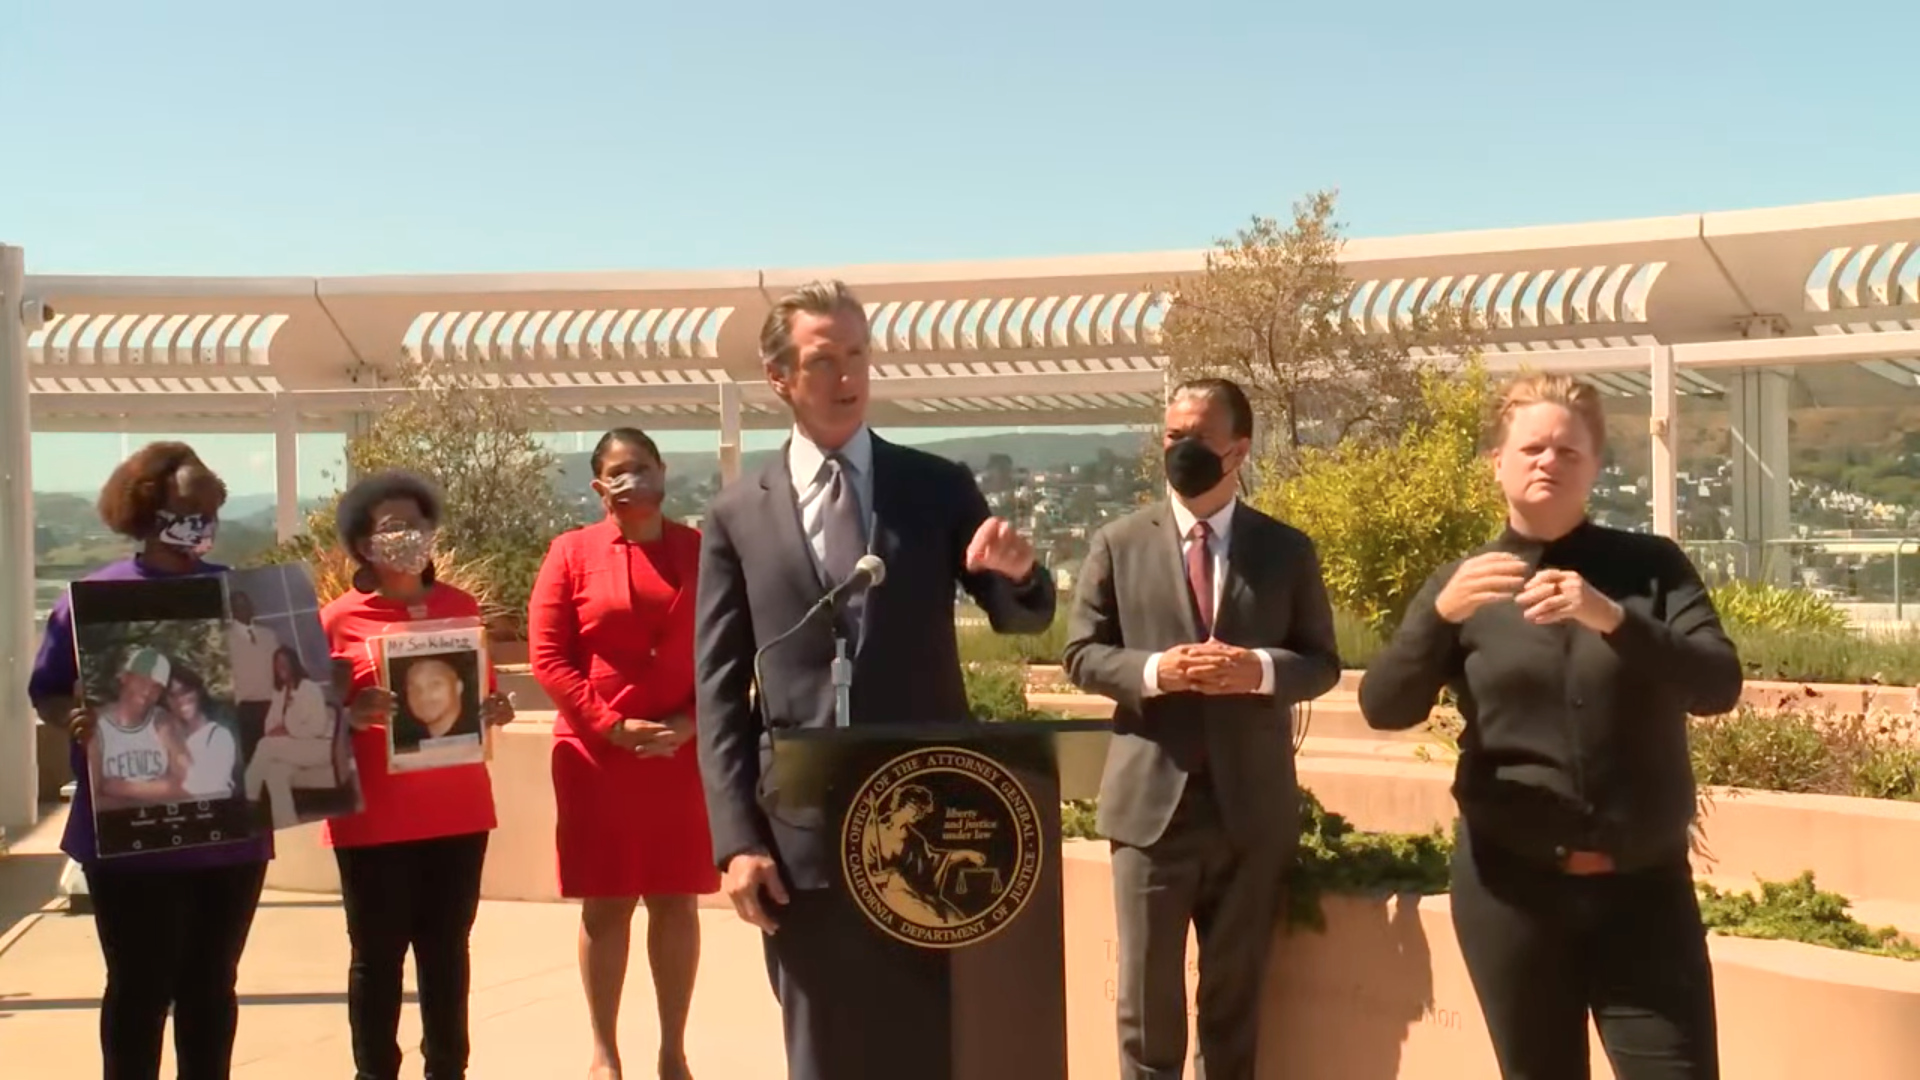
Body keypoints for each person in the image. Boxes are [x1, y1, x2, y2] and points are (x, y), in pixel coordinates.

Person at [694, 279, 1056, 1080]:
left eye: (858, 355)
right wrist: (736, 842)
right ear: (779, 377)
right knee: (824, 1059)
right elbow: (719, 691)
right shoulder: (734, 516)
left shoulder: (936, 487)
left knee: (932, 1050)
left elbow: (1017, 614)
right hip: (800, 845)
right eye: (825, 360)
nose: (847, 375)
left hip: (931, 827)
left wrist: (1022, 575)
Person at [1358, 372, 1742, 1080]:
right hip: (1511, 895)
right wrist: (1434, 618)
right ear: (1497, 463)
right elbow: (1385, 706)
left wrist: (1614, 619)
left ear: (1595, 465)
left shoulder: (1652, 568)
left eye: (1570, 451)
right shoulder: (1462, 584)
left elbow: (1718, 684)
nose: (1549, 462)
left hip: (1644, 894)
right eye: (1532, 447)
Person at [1062, 376, 1341, 1080]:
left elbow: (1322, 661)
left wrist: (1260, 671)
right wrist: (1157, 670)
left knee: (1233, 1005)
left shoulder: (1286, 549)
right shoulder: (1118, 542)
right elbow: (1081, 654)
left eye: (1198, 438)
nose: (1181, 449)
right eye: (1171, 436)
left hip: (1251, 812)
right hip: (1151, 812)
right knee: (1146, 1007)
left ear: (1239, 449)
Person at [27, 441, 273, 1080]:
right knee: (137, 990)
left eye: (211, 509)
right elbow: (48, 690)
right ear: (146, 510)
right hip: (129, 838)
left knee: (212, 988)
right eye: (187, 508)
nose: (201, 522)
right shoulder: (91, 601)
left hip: (230, 838)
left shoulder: (242, 596)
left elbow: (281, 690)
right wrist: (73, 720)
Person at [529, 426, 717, 1080]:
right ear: (597, 485)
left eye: (641, 466)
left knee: (676, 900)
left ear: (663, 472)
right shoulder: (571, 553)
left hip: (680, 756)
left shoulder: (702, 552)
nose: (631, 479)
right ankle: (605, 1053)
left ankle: (672, 1051)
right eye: (617, 470)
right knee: (607, 903)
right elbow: (548, 658)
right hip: (596, 758)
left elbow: (729, 653)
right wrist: (609, 725)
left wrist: (690, 725)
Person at [319, 470, 517, 1080]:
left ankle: (448, 1070)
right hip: (372, 819)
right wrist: (351, 714)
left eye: (416, 524)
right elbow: (306, 721)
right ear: (362, 544)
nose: (407, 536)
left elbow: (477, 697)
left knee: (446, 955)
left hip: (458, 814)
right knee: (376, 960)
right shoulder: (336, 620)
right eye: (390, 527)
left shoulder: (460, 607)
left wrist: (496, 709)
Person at [243, 645, 336, 828]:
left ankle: (248, 799)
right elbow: (270, 728)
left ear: (294, 664)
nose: (281, 668)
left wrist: (288, 728)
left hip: (320, 747)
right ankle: (287, 827)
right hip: (296, 749)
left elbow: (317, 728)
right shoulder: (280, 693)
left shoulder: (310, 689)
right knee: (274, 772)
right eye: (277, 665)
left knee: (266, 745)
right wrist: (283, 707)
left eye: (285, 663)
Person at [167, 663, 243, 801]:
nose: (180, 700)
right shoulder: (166, 736)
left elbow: (206, 789)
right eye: (172, 695)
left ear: (198, 691)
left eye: (185, 691)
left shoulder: (219, 736)